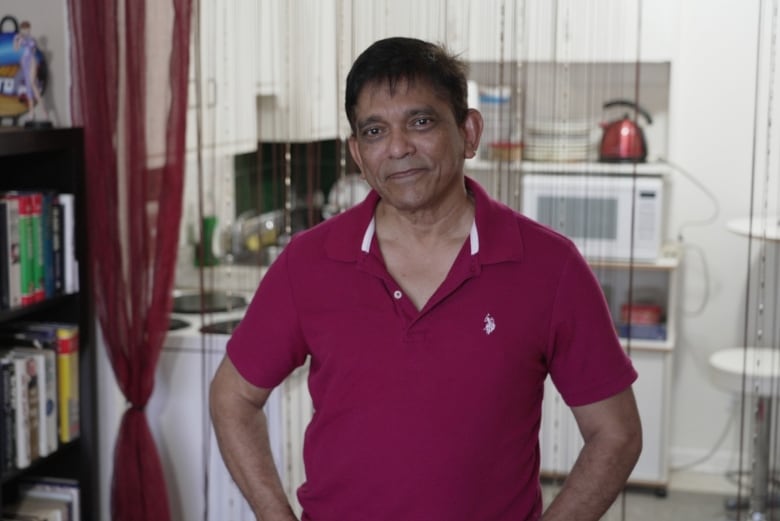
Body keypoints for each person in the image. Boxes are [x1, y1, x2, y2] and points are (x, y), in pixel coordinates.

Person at [210, 36, 642, 521]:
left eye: (420, 122)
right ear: (357, 152)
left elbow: (616, 432)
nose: (397, 148)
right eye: (374, 131)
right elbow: (233, 396)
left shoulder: (550, 266)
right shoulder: (308, 263)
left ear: (469, 132)